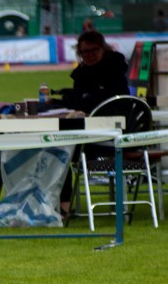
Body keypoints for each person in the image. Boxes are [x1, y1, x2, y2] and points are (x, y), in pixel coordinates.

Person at [52, 30, 131, 220]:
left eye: (93, 50)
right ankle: (61, 204)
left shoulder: (115, 71)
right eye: (83, 52)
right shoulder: (82, 73)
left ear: (102, 48)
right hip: (94, 137)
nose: (88, 55)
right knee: (59, 145)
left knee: (61, 147)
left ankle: (63, 205)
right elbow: (79, 98)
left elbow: (106, 102)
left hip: (111, 139)